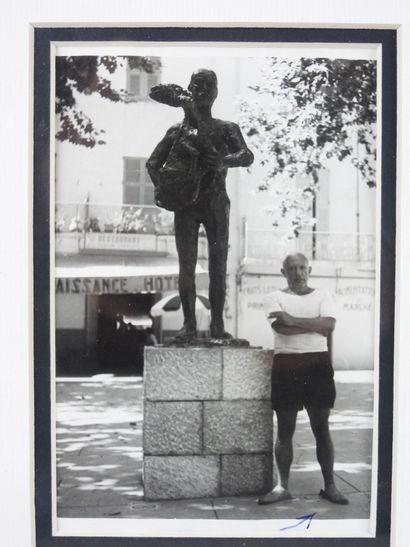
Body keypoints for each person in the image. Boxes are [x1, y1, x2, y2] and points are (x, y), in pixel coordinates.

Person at [147, 69, 254, 342]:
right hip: (186, 204)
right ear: (190, 89)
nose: (204, 90)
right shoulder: (177, 131)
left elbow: (246, 155)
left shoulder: (226, 128)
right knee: (187, 267)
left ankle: (216, 326)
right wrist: (168, 191)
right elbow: (152, 164)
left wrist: (223, 161)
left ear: (217, 92)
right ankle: (190, 326)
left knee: (218, 266)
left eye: (209, 85)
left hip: (216, 204)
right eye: (199, 85)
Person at [258, 253, 348, 505]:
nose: (298, 273)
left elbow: (329, 326)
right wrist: (314, 325)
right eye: (292, 268)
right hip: (286, 364)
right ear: (283, 272)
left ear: (309, 270)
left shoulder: (324, 296)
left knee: (322, 428)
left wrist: (294, 319)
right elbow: (281, 329)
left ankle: (330, 486)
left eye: (302, 268)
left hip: (317, 364)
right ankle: (282, 486)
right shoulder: (273, 297)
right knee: (285, 429)